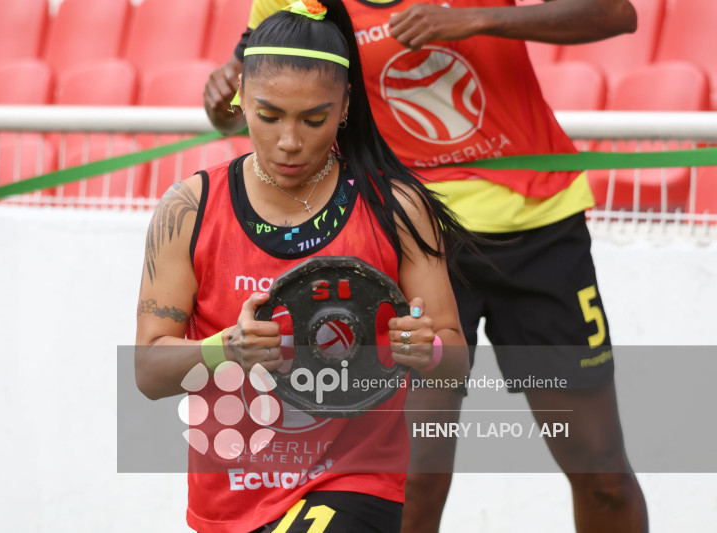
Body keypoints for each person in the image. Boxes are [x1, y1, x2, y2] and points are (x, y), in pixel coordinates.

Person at [203, 1, 648, 532]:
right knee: (412, 479)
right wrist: (221, 96)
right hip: (409, 244)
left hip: (537, 236)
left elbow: (615, 14)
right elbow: (238, 102)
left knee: (600, 472)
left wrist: (476, 19)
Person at [135, 1, 474, 531]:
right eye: (268, 116)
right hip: (230, 498)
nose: (289, 142)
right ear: (240, 98)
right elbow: (149, 371)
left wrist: (423, 349)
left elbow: (454, 357)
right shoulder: (189, 208)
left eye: (313, 119)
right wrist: (230, 349)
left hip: (356, 480)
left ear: (344, 108)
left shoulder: (397, 208)